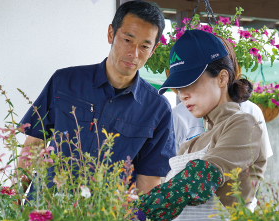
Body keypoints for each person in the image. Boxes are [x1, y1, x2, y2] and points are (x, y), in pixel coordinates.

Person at [18, 0, 175, 197]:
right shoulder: (64, 81)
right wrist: (14, 202)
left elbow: (148, 180)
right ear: (111, 34)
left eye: (144, 46)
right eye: (128, 40)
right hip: (46, 213)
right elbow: (33, 144)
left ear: (153, 50)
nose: (134, 54)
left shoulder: (157, 109)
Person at [137, 29, 267, 221]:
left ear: (222, 78)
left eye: (190, 82)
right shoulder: (189, 144)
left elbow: (199, 179)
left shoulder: (244, 124)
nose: (182, 94)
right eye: (178, 87)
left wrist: (137, 212)